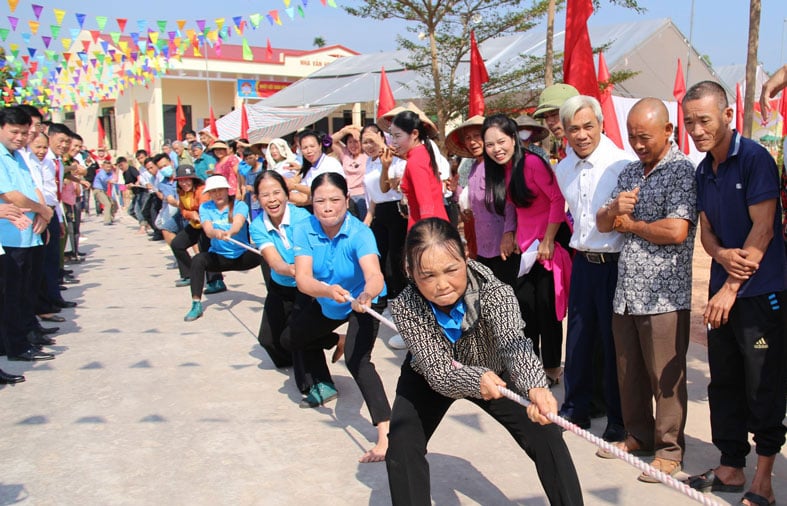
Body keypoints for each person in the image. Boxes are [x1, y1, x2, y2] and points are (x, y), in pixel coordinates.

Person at [385, 218, 583, 505]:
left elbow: (514, 342)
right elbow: (438, 371)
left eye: (451, 270)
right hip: (430, 373)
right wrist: (474, 379)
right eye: (428, 276)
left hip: (495, 370)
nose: (442, 285)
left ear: (465, 257)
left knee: (547, 432)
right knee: (402, 444)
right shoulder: (406, 305)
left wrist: (536, 386)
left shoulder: (494, 291)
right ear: (410, 272)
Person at [681, 81, 786, 506]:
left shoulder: (755, 160)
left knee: (763, 385)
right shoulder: (703, 169)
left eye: (704, 120)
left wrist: (730, 287)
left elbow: (764, 230)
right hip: (722, 293)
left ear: (728, 115)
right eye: (689, 122)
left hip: (761, 294)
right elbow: (706, 230)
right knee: (724, 380)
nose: (696, 130)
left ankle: (763, 479)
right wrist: (721, 254)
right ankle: (730, 465)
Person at [595, 98, 697, 482]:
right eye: (632, 136)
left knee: (665, 378)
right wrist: (613, 211)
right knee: (630, 372)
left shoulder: (681, 172)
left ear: (668, 131)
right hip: (627, 292)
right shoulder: (630, 171)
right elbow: (603, 222)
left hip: (664, 295)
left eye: (645, 137)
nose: (638, 144)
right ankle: (638, 434)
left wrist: (633, 225)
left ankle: (670, 450)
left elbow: (677, 230)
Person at [281, 172, 391, 463]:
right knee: (290, 338)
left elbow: (375, 275)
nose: (327, 207)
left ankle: (386, 433)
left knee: (357, 360)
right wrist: (328, 291)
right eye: (320, 201)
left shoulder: (360, 233)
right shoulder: (303, 229)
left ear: (346, 200)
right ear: (311, 202)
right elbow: (303, 280)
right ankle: (338, 339)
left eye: (334, 200)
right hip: (329, 297)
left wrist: (366, 295)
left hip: (363, 301)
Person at [555, 95, 635, 440]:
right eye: (574, 128)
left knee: (615, 343)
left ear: (601, 124)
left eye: (588, 126)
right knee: (578, 339)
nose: (582, 134)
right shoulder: (563, 169)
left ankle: (619, 419)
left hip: (616, 264)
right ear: (565, 132)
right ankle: (576, 408)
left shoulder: (622, 164)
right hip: (583, 263)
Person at [483, 114, 570, 388]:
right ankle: (530, 367)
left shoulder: (532, 163)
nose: (496, 149)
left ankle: (552, 367)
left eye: (501, 141)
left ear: (513, 138)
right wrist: (510, 234)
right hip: (526, 250)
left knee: (547, 310)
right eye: (490, 144)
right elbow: (513, 207)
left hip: (548, 246)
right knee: (525, 311)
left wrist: (548, 240)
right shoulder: (501, 169)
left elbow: (557, 199)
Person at [0, 106, 55, 362]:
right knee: (11, 296)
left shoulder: (17, 156)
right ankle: (17, 346)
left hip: (28, 235)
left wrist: (43, 213)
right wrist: (42, 209)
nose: (20, 138)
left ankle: (22, 339)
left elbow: (32, 188)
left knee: (24, 292)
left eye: (24, 133)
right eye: (14, 132)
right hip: (10, 237)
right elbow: (11, 196)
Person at [249, 170, 311, 371]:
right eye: (265, 195)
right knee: (268, 340)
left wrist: (303, 273)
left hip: (306, 286)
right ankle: (325, 342)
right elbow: (275, 262)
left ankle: (309, 370)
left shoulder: (303, 218)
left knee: (295, 335)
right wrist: (292, 270)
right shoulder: (257, 226)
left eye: (276, 192)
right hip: (281, 284)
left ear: (286, 194)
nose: (272, 199)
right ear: (257, 199)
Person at [447, 115, 519, 286]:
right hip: (482, 242)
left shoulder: (499, 165)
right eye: (468, 138)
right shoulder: (474, 167)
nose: (472, 142)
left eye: (476, 136)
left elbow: (509, 202)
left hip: (502, 243)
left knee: (506, 290)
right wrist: (456, 190)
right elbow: (473, 200)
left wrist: (509, 233)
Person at [184, 175, 260, 322]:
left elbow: (238, 223)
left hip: (242, 255)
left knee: (265, 254)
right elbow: (208, 230)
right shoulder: (205, 207)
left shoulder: (240, 205)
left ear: (227, 190)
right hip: (219, 258)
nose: (217, 194)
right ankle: (196, 303)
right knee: (198, 260)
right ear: (209, 193)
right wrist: (215, 233)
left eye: (220, 190)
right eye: (213, 191)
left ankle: (275, 296)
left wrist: (230, 232)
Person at [360, 124, 408, 300]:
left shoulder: (393, 157)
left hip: (397, 210)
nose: (369, 146)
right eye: (365, 142)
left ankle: (402, 298)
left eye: (372, 141)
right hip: (379, 212)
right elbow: (374, 195)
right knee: (379, 257)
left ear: (382, 137)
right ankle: (385, 298)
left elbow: (393, 186)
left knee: (396, 258)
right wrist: (369, 216)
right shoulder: (369, 162)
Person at [389, 110, 449, 229]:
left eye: (398, 136)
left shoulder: (415, 161)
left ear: (414, 134)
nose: (393, 142)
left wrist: (426, 235)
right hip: (436, 224)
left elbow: (426, 205)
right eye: (392, 136)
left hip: (428, 228)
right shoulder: (422, 154)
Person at [169, 164, 222, 291]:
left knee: (206, 250)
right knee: (177, 244)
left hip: (207, 224)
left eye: (187, 179)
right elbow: (182, 209)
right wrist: (190, 214)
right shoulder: (181, 192)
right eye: (181, 180)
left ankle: (216, 281)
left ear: (193, 179)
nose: (184, 183)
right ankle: (190, 274)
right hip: (195, 224)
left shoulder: (201, 190)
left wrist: (196, 214)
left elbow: (204, 209)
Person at [288, 130, 344, 206]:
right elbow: (304, 198)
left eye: (312, 146)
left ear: (320, 146)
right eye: (305, 148)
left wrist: (294, 186)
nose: (309, 151)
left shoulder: (330, 163)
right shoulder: (308, 169)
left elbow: (323, 191)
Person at [532, 83, 580, 161]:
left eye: (554, 114)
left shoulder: (598, 152)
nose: (549, 122)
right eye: (546, 117)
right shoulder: (567, 150)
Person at [332, 125, 369, 220]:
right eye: (350, 142)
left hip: (364, 196)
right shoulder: (345, 154)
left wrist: (357, 129)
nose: (353, 145)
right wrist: (346, 130)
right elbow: (329, 140)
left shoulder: (367, 154)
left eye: (356, 141)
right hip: (348, 196)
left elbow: (372, 134)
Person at [92, 157, 118, 225]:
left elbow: (115, 178)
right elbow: (105, 180)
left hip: (103, 191)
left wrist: (116, 172)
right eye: (107, 167)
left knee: (113, 203)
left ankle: (111, 218)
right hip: (98, 190)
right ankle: (107, 221)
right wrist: (111, 181)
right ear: (103, 167)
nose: (108, 168)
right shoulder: (101, 173)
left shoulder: (110, 172)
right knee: (107, 204)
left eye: (110, 167)